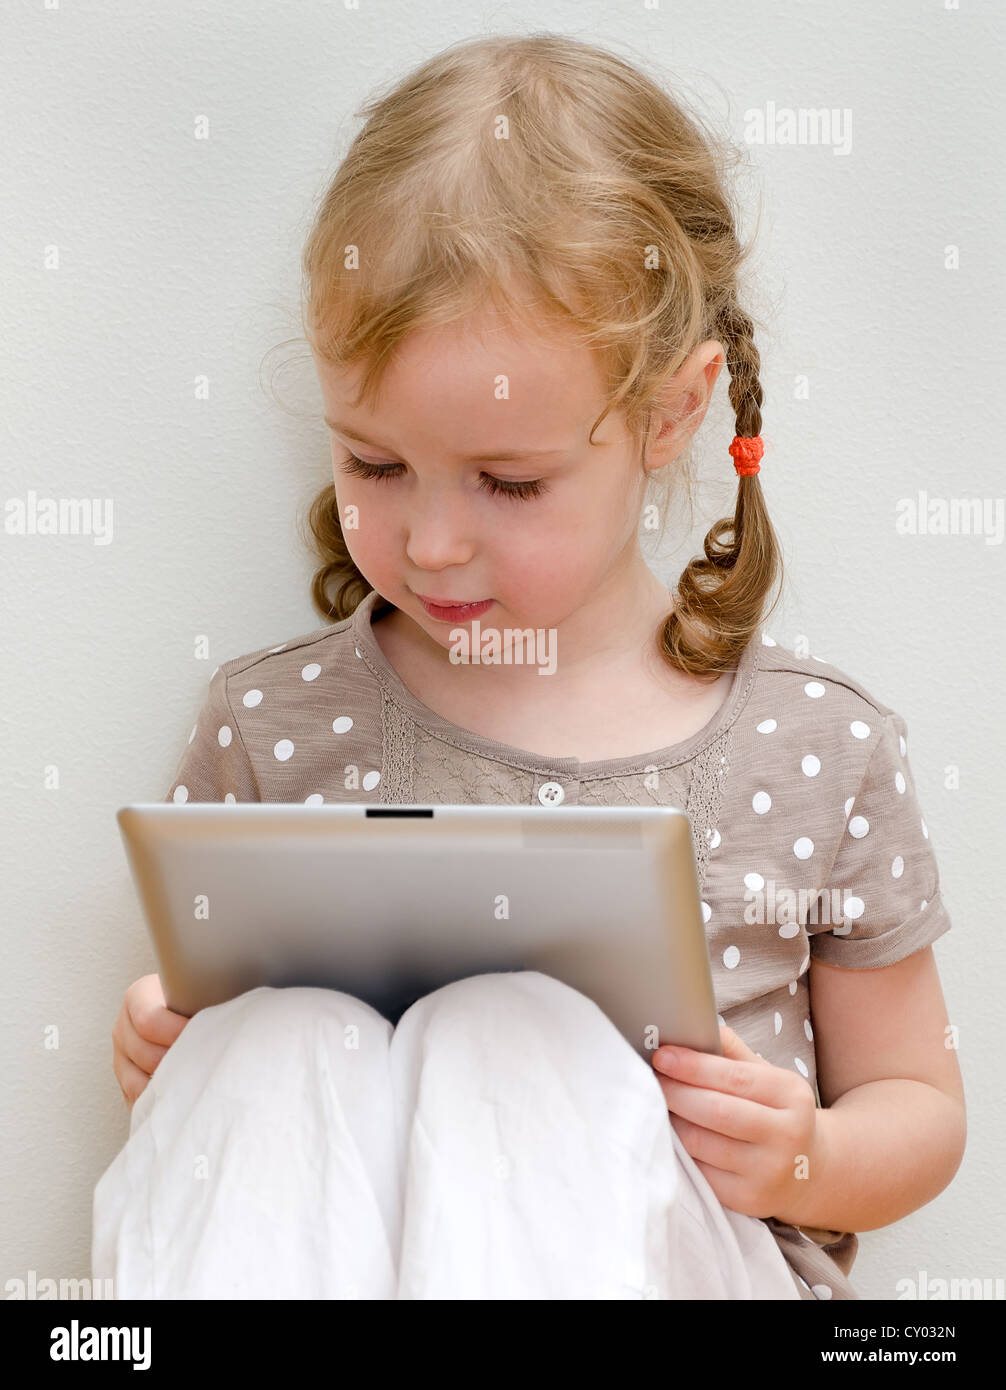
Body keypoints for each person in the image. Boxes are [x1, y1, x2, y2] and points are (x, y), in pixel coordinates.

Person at [92, 33, 966, 1300]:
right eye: (373, 466)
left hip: (689, 1264)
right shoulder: (270, 722)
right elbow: (239, 1122)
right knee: (271, 1040)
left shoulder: (814, 747)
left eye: (509, 481)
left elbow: (920, 1105)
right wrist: (176, 1050)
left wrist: (806, 1155)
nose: (431, 539)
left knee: (516, 1031)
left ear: (671, 414)